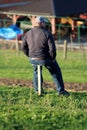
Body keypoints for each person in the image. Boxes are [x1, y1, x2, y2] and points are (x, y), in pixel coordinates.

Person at [22, 16, 70, 96]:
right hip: (45, 58)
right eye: (44, 23)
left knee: (36, 72)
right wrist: (53, 58)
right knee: (56, 72)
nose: (45, 24)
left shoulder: (28, 33)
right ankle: (61, 91)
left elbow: (23, 47)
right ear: (41, 23)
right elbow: (52, 49)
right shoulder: (47, 33)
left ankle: (37, 90)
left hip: (32, 58)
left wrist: (29, 55)